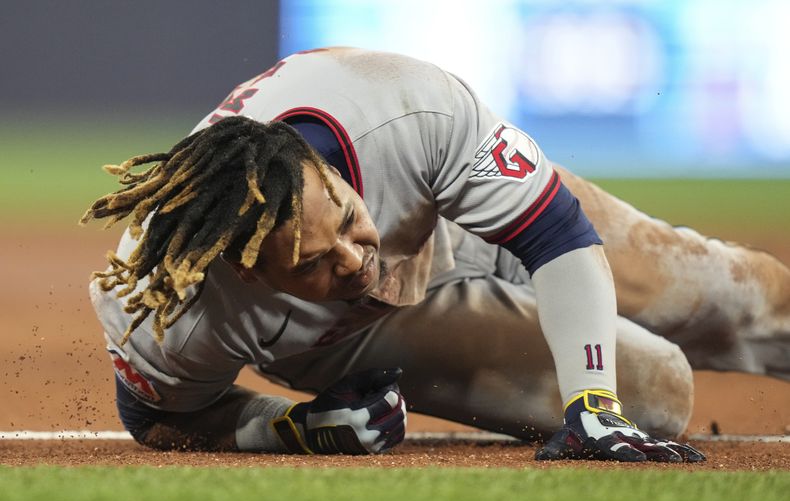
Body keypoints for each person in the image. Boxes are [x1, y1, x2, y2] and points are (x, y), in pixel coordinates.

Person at [81, 48, 788, 461]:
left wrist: (591, 403)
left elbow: (557, 235)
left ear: (324, 169)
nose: (355, 261)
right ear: (242, 270)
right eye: (312, 265)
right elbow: (160, 418)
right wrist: (288, 426)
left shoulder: (401, 108)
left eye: (348, 224)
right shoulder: (169, 307)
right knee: (659, 393)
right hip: (358, 335)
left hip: (451, 207)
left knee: (739, 295)